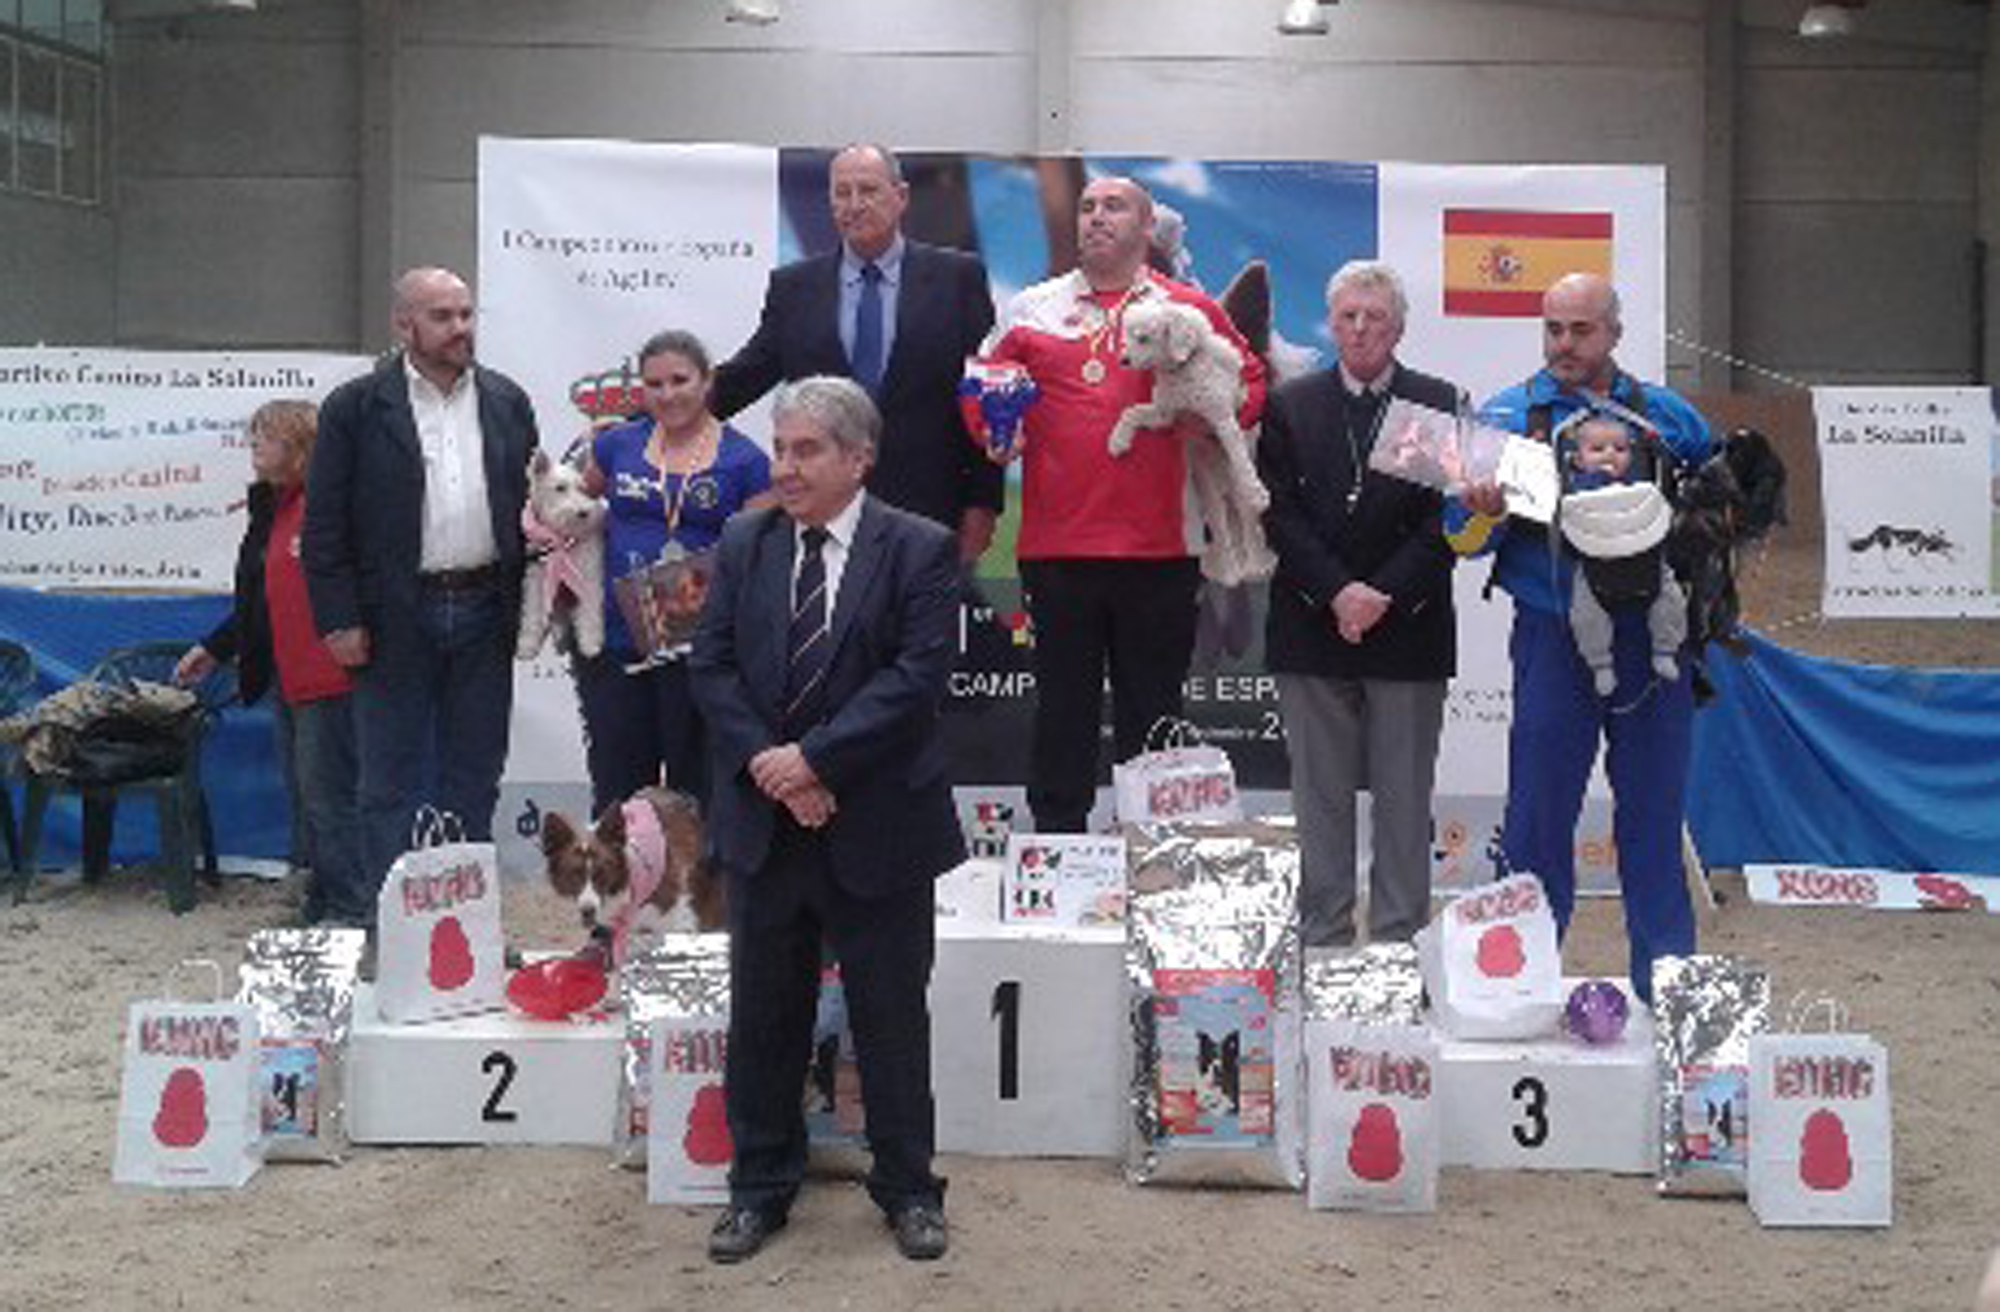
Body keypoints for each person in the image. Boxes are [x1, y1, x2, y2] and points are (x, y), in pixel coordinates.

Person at [689, 376, 961, 1264]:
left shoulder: (919, 548)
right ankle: (758, 1189)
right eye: (780, 448)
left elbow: (916, 680)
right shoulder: (744, 541)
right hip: (767, 828)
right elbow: (712, 668)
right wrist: (779, 774)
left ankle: (909, 1189)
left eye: (806, 450)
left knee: (890, 1019)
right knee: (765, 1018)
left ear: (859, 458)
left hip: (878, 824)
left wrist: (816, 761)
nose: (786, 467)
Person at [980, 175, 1266, 833]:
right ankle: (1056, 849)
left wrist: (1208, 420)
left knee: (1154, 712)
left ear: (1145, 227)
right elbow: (986, 379)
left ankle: (1153, 846)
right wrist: (995, 427)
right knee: (1062, 708)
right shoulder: (1032, 308)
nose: (1096, 218)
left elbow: (1248, 380)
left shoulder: (1187, 308)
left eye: (1114, 207)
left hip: (1161, 548)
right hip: (1058, 546)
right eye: (1086, 207)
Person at [1457, 271, 1712, 1002]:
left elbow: (1726, 510)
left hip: (1654, 643)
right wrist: (1484, 510)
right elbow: (1461, 542)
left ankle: (1667, 990)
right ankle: (1515, 991)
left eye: (1581, 330)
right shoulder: (1506, 419)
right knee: (1537, 819)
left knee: (1654, 817)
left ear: (1614, 333)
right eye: (1553, 329)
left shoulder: (1670, 418)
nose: (1564, 344)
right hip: (1552, 638)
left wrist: (1721, 510)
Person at [302, 266, 539, 912]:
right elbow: (324, 525)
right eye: (442, 316)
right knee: (388, 782)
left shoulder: (508, 401)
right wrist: (338, 618)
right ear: (403, 324)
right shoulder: (354, 408)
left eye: (466, 314)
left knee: (475, 777)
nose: (460, 328)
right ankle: (398, 929)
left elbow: (530, 511)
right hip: (391, 617)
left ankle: (466, 924)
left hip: (486, 610)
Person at [1258, 260, 1462, 948]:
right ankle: (1324, 942)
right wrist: (1339, 591)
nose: (1360, 329)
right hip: (1311, 625)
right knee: (1320, 800)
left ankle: (1400, 947)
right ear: (1331, 324)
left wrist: (1383, 594)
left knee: (1403, 800)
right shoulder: (1292, 404)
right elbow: (1277, 513)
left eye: (1375, 317)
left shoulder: (1437, 402)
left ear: (1398, 328)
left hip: (1408, 628)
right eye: (1348, 316)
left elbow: (1449, 521)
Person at [712, 143, 1000, 562]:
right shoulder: (794, 288)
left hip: (932, 511)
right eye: (842, 193)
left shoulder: (958, 278)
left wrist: (984, 503)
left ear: (900, 196)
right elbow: (745, 377)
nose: (854, 204)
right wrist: (653, 419)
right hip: (824, 510)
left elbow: (984, 397)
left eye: (868, 190)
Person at [176, 400, 364, 926]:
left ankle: (353, 909)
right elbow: (260, 599)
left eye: (267, 435)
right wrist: (215, 647)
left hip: (331, 675)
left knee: (330, 797)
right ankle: (321, 898)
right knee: (306, 796)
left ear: (300, 446)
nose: (254, 445)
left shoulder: (332, 506)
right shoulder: (272, 508)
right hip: (287, 674)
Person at [575, 329, 773, 816]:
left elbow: (759, 557)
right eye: (654, 384)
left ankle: (698, 870)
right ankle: (621, 869)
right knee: (617, 793)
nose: (667, 395)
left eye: (680, 380)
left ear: (707, 382)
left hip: (699, 653)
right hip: (617, 647)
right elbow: (570, 505)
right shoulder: (617, 444)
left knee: (696, 793)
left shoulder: (747, 461)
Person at [1561, 413, 1688, 697]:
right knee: (1585, 613)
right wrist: (1596, 480)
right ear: (1578, 458)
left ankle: (1665, 648)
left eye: (1619, 449)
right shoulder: (1575, 484)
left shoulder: (1639, 483)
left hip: (1644, 559)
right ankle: (1600, 663)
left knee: (1670, 596)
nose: (1610, 455)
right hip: (1595, 562)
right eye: (1597, 449)